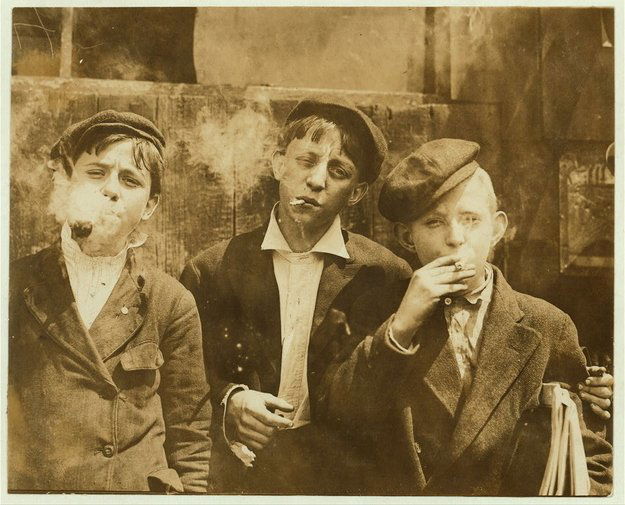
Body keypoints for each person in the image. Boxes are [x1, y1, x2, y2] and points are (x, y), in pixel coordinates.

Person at [314, 138, 612, 495]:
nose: (455, 238)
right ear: (407, 238)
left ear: (498, 228)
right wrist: (401, 327)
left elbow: (589, 459)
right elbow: (336, 415)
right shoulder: (377, 311)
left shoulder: (545, 323)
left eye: (471, 219)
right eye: (433, 222)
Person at [180, 97, 412, 493]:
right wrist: (229, 400)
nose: (318, 180)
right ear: (278, 164)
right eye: (306, 161)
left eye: (338, 171)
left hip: (344, 481)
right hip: (243, 476)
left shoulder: (385, 277)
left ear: (355, 194)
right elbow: (183, 376)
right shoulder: (214, 269)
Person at [8, 111, 211, 493]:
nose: (111, 189)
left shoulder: (169, 302)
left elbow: (191, 439)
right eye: (96, 173)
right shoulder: (14, 286)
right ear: (67, 183)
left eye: (130, 180)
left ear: (149, 206)